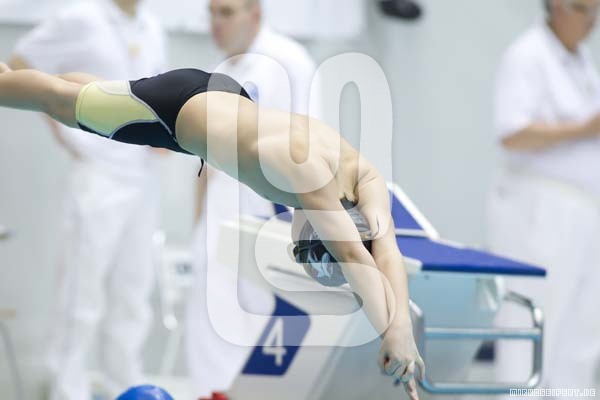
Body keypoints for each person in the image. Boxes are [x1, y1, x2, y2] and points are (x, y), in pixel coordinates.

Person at [0, 63, 424, 399]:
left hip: (218, 101)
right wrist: (391, 332)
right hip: (179, 112)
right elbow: (353, 256)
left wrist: (401, 328)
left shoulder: (364, 177)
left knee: (91, 98)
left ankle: (13, 77)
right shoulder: (308, 175)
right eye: (304, 245)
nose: (295, 228)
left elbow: (385, 252)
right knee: (60, 103)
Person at [7, 0, 167, 398]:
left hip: (142, 177)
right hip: (98, 178)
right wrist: (65, 132)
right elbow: (20, 63)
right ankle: (67, 389)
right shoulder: (80, 18)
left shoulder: (151, 27)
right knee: (81, 296)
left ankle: (125, 386)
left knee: (133, 295)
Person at [185, 0, 322, 396]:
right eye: (212, 13)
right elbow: (204, 160)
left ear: (255, 14)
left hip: (268, 210)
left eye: (227, 13)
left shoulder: (288, 60)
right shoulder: (219, 72)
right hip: (220, 210)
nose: (216, 23)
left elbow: (311, 145)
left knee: (254, 319)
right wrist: (198, 222)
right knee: (209, 311)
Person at [488, 0, 600, 397]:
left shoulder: (581, 61)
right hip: (540, 209)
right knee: (531, 323)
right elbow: (512, 133)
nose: (591, 22)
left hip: (585, 209)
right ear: (556, 5)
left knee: (581, 328)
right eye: (583, 10)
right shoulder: (527, 54)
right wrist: (583, 128)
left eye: (597, 12)